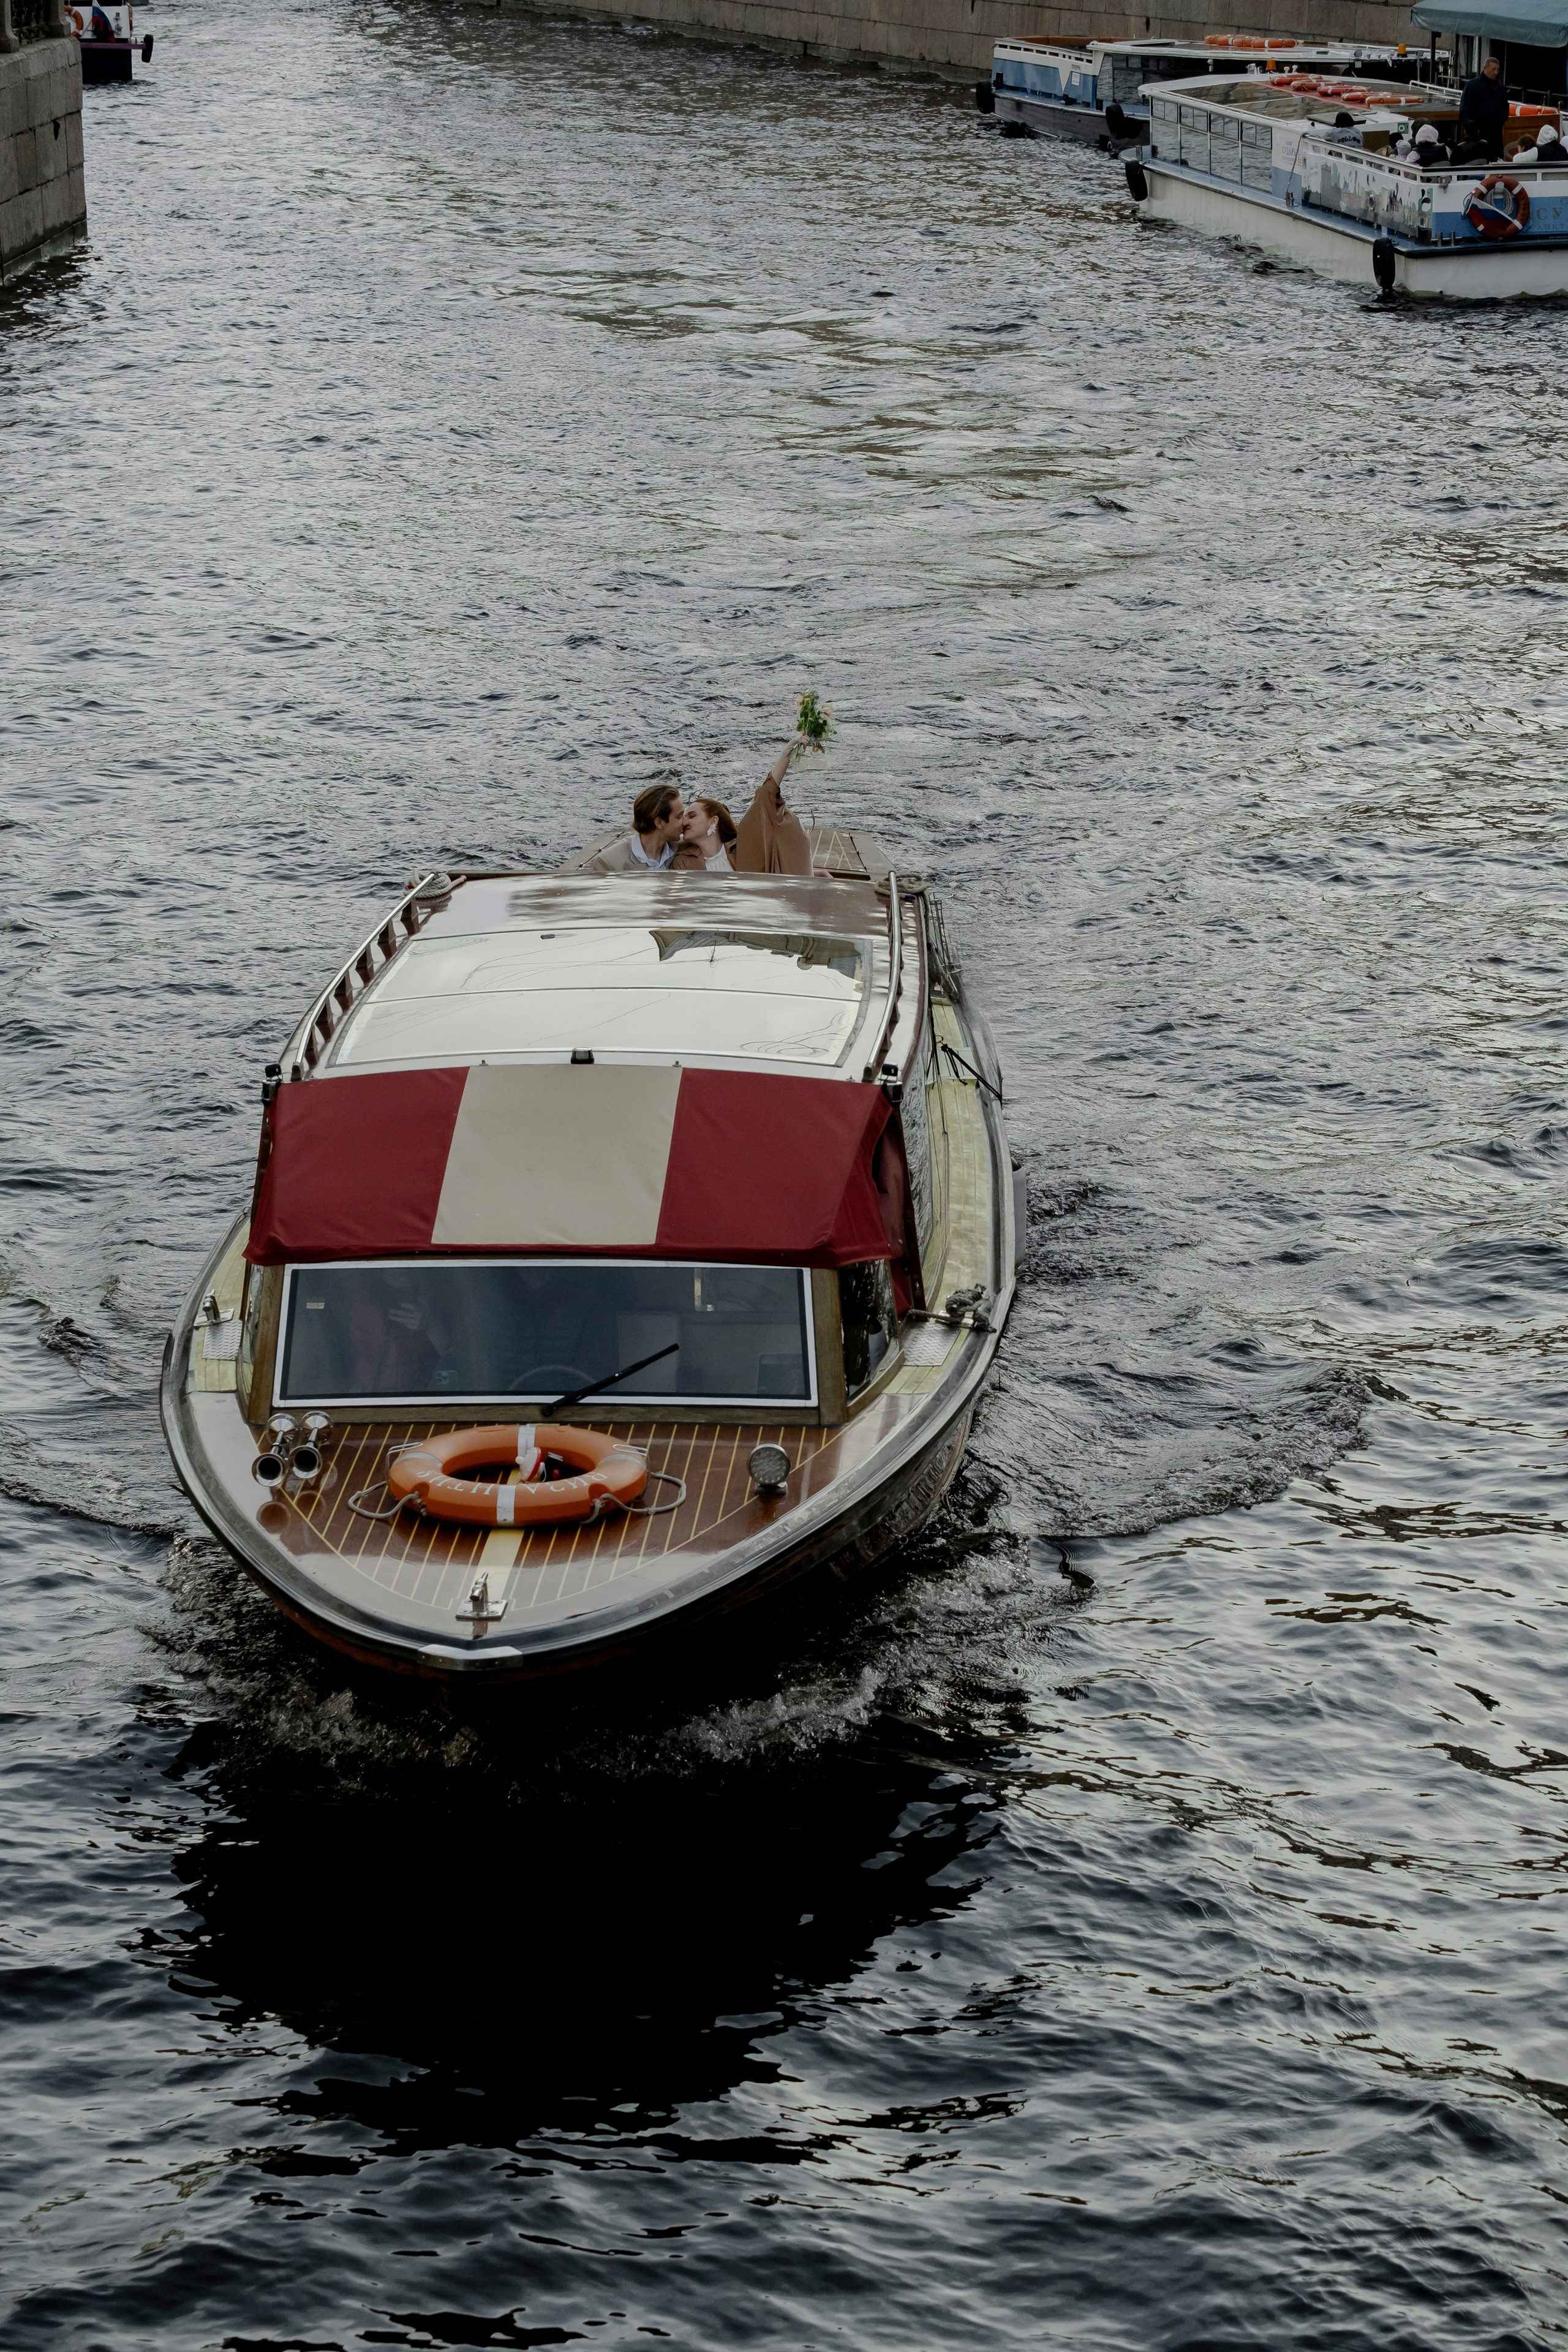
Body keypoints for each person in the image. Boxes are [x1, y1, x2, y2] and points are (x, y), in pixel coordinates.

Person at [589, 782, 686, 874]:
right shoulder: (610, 863)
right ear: (659, 822)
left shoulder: (682, 848)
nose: (686, 822)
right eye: (679, 817)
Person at [1459, 53, 1509, 159]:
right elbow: (1464, 110)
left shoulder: (1500, 86)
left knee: (1496, 161)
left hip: (1496, 134)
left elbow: (1505, 106)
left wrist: (1502, 119)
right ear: (1485, 68)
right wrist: (1471, 125)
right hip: (1478, 134)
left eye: (1498, 69)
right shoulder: (1472, 85)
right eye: (1493, 69)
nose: (1496, 72)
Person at [680, 796, 739, 870]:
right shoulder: (682, 862)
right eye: (685, 817)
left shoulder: (740, 850)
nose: (685, 822)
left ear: (714, 821)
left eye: (692, 816)